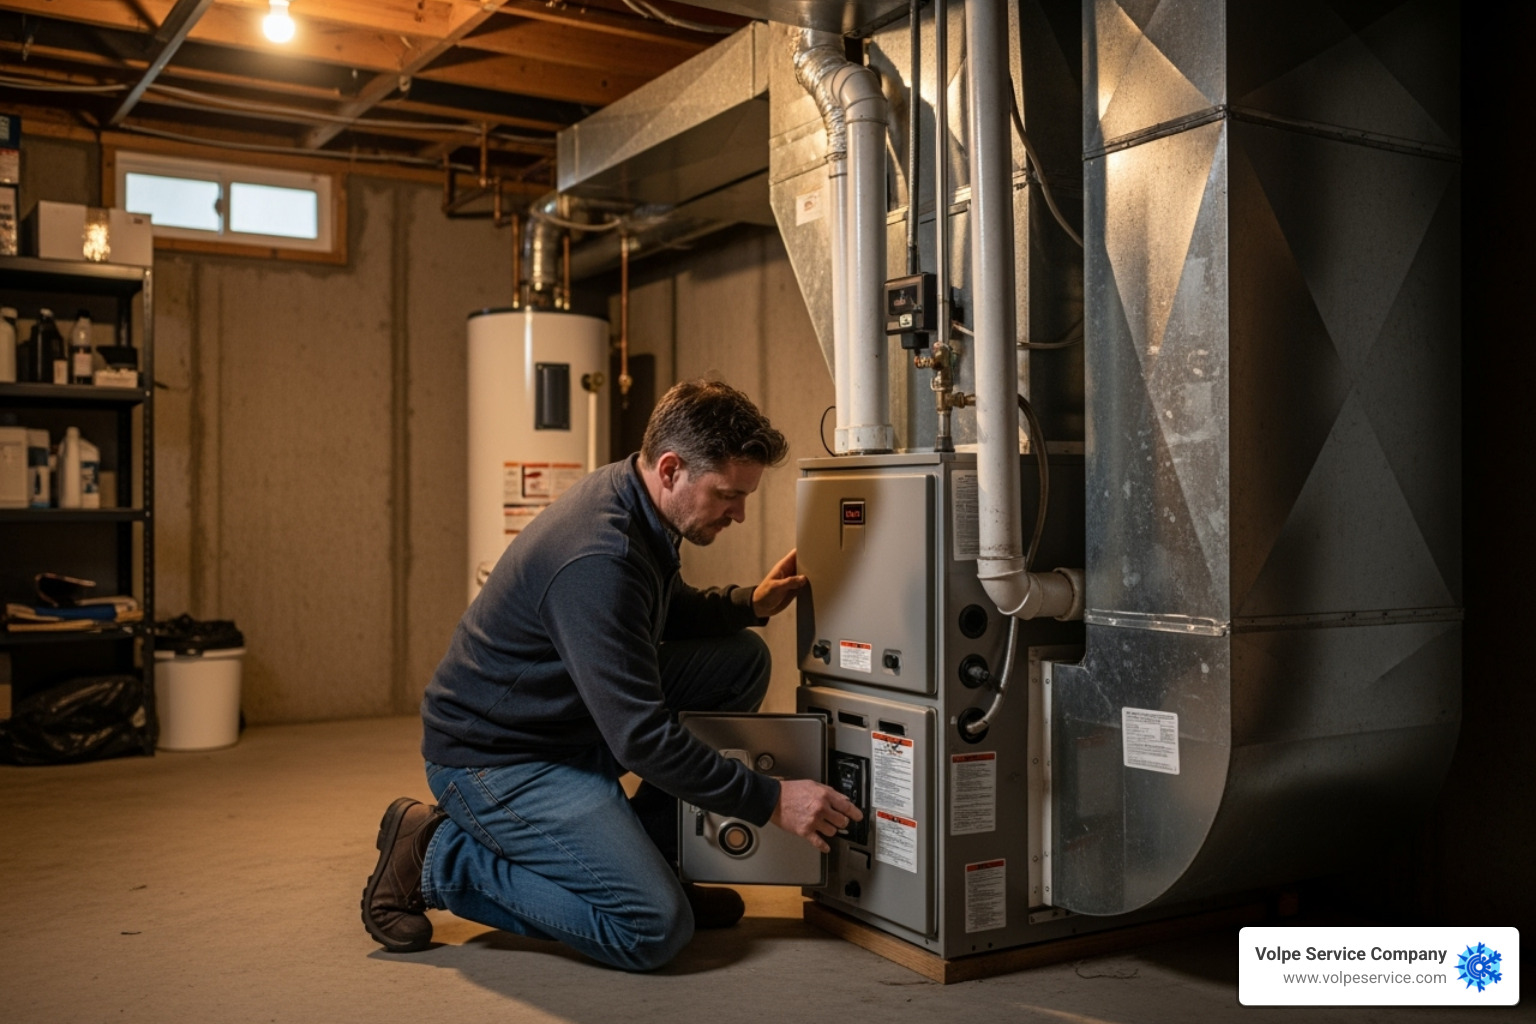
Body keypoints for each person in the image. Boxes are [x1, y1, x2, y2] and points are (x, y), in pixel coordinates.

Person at [361, 378, 862, 970]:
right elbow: (641, 738)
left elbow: (656, 609)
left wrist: (746, 603)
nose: (740, 514)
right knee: (651, 928)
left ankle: (655, 861)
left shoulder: (636, 497)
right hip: (500, 758)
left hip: (566, 719)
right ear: (672, 469)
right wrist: (770, 799)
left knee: (740, 659)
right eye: (729, 495)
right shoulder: (599, 554)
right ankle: (437, 857)